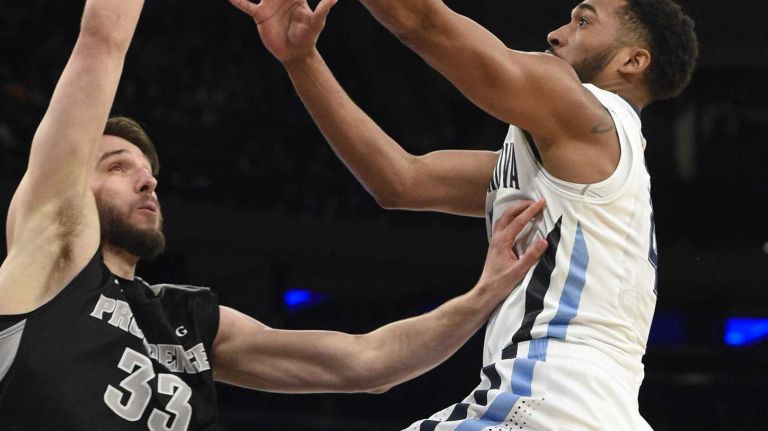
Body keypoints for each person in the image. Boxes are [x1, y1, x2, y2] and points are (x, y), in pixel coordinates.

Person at [0, 1, 549, 430]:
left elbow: (367, 363)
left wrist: (483, 294)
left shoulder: (185, 319)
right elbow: (101, 42)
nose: (147, 179)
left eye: (148, 168)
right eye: (118, 167)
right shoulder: (50, 260)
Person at [228, 0, 698, 428]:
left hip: (549, 398)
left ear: (632, 61)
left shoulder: (583, 112)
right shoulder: (577, 164)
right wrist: (301, 59)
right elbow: (400, 182)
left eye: (583, 21)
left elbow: (422, 21)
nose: (556, 34)